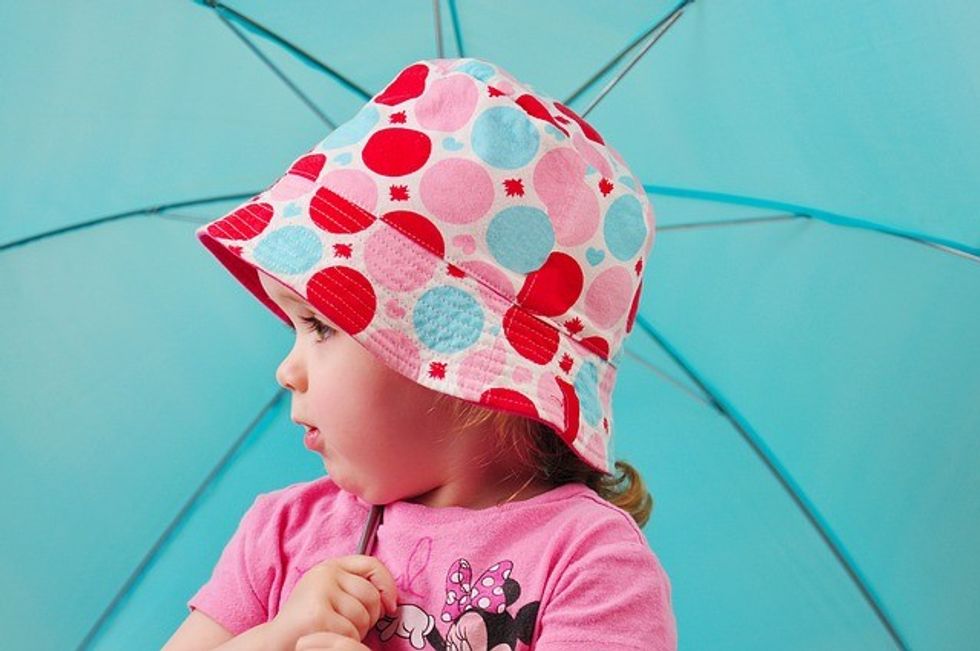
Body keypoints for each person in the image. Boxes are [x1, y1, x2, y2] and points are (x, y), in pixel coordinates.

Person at [163, 56, 677, 651]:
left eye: (320, 326)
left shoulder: (590, 564)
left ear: (454, 361)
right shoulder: (284, 535)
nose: (287, 371)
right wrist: (279, 636)